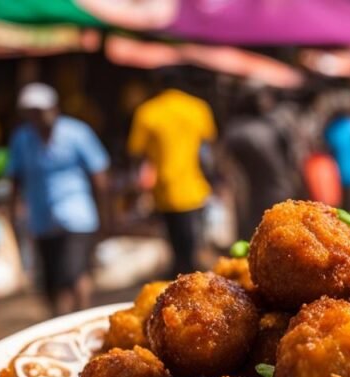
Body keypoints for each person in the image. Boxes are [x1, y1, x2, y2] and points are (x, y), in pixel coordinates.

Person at [6, 82, 109, 316]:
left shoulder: (77, 132)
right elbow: (15, 179)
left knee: (74, 274)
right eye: (32, 113)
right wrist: (13, 216)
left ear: (54, 108)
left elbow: (99, 175)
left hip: (77, 215)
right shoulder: (22, 139)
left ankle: (80, 317)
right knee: (50, 282)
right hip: (41, 221)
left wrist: (106, 217)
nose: (38, 117)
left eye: (41, 111)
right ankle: (58, 320)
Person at [128, 69, 217, 277]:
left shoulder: (147, 112)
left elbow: (135, 154)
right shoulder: (198, 107)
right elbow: (208, 149)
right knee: (194, 246)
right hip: (195, 188)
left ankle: (185, 285)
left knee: (178, 248)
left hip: (165, 191)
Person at [222, 86, 301, 233]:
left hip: (254, 194)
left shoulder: (236, 130)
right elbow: (292, 157)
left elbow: (226, 165)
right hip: (281, 187)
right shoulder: (273, 126)